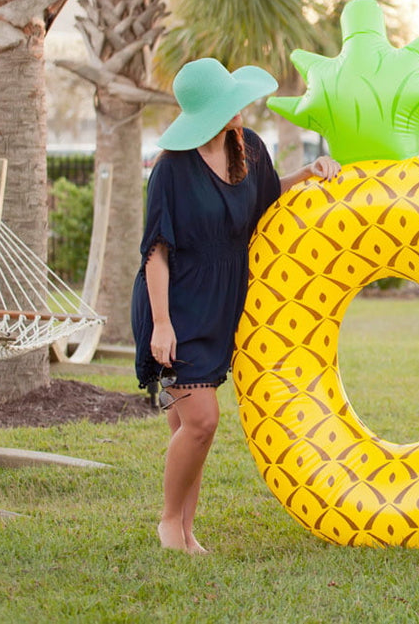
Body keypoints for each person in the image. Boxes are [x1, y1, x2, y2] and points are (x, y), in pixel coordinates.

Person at [133, 57, 340, 554]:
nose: (241, 110)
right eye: (230, 104)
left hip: (224, 301)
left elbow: (266, 201)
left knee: (189, 428)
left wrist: (309, 173)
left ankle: (184, 530)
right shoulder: (171, 169)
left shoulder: (248, 147)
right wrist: (161, 325)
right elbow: (155, 254)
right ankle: (167, 523)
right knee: (202, 420)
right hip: (177, 304)